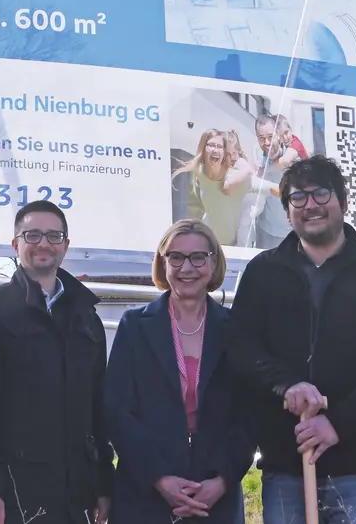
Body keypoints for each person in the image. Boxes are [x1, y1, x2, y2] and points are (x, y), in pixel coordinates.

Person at [225, 155, 356, 524]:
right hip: (287, 469)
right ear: (286, 212)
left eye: (321, 194)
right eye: (298, 198)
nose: (311, 205)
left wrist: (338, 423)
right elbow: (241, 347)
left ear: (343, 203)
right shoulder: (262, 273)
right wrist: (285, 384)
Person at [0, 200, 114, 524]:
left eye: (54, 236)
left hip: (79, 494)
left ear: (66, 246)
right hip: (16, 491)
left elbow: (98, 412)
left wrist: (104, 483)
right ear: (15, 245)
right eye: (32, 235)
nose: (44, 243)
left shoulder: (87, 318)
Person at [105, 219, 254, 523]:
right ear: (163, 263)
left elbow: (250, 412)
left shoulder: (237, 330)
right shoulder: (134, 326)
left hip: (215, 497)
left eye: (198, 257)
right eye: (176, 257)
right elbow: (117, 411)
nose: (187, 267)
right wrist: (159, 478)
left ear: (214, 264)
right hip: (145, 494)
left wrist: (222, 480)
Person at [175, 128, 257, 245]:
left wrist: (229, 184)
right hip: (215, 229)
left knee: (244, 225)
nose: (232, 157)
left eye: (220, 147)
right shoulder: (202, 171)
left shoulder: (240, 165)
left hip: (242, 214)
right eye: (211, 145)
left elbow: (246, 173)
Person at [245, 113, 305, 250]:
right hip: (265, 232)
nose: (266, 143)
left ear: (278, 135)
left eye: (270, 137)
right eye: (261, 138)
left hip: (292, 233)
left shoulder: (294, 160)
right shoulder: (256, 158)